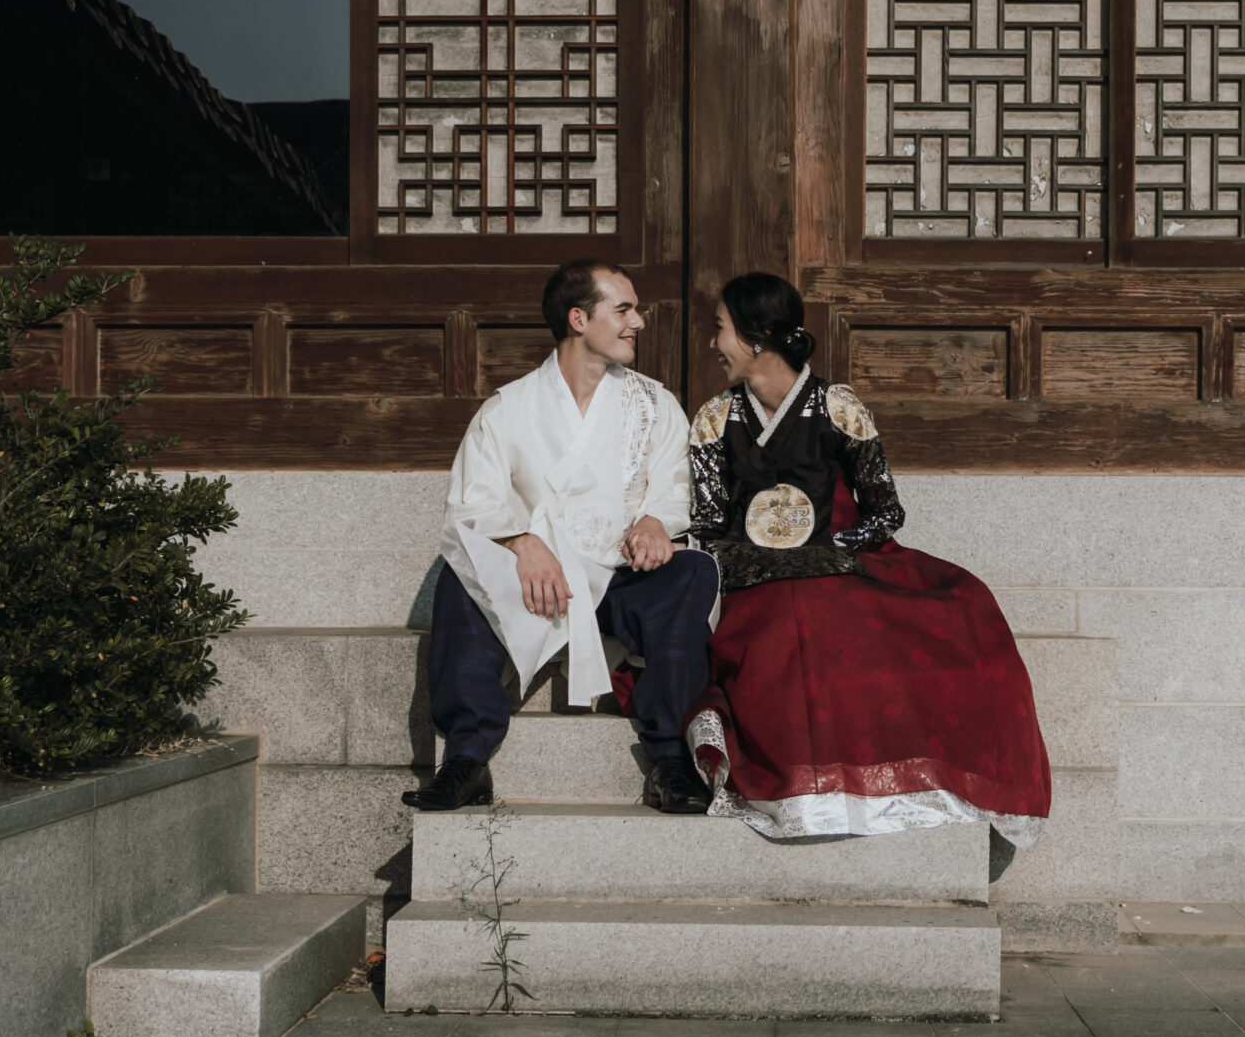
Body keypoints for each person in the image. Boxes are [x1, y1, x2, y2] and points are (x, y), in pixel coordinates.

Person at [683, 272, 1051, 844]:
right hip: (751, 568)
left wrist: (832, 549)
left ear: (757, 338)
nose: (712, 343)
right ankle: (800, 790)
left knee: (960, 604)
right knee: (788, 618)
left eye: (720, 330)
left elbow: (885, 512)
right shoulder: (713, 419)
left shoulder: (839, 406)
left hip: (840, 554)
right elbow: (706, 525)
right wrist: (758, 560)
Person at [405, 258, 717, 815]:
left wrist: (654, 522)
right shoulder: (507, 408)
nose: (639, 322)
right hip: (542, 585)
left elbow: (674, 490)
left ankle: (671, 759)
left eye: (636, 310)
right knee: (459, 575)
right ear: (579, 318)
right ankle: (465, 759)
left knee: (693, 572)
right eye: (623, 310)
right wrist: (522, 542)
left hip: (622, 579)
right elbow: (470, 504)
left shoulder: (655, 403)